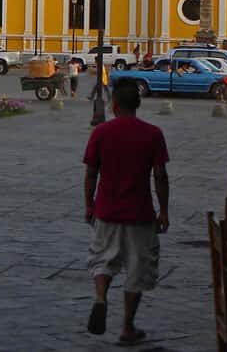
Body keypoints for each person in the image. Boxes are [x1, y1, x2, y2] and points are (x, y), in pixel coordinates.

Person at [84, 81, 169, 346]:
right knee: (138, 269)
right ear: (138, 104)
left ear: (114, 104)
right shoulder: (152, 133)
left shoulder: (101, 132)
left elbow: (91, 173)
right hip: (140, 212)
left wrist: (89, 204)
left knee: (103, 260)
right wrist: (163, 210)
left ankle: (100, 297)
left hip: (107, 209)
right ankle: (127, 327)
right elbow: (160, 176)